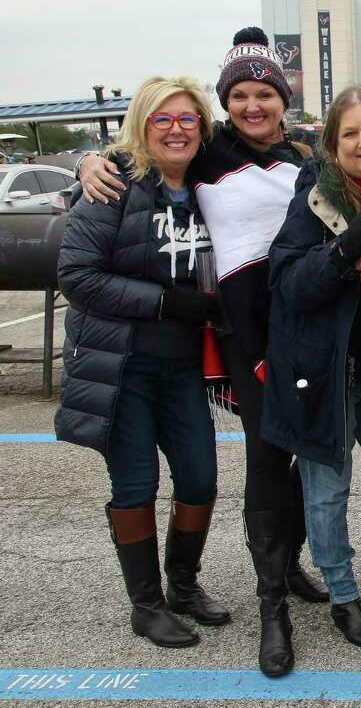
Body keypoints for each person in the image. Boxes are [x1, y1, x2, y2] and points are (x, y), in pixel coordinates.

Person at [76, 27, 326, 677]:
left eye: (263, 93)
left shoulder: (286, 160)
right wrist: (90, 162)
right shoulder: (158, 169)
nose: (252, 105)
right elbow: (81, 264)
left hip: (237, 348)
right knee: (182, 475)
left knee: (230, 472)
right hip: (163, 352)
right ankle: (183, 602)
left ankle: (213, 578)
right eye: (238, 95)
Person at [55, 75, 228, 649]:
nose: (176, 130)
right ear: (142, 126)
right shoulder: (112, 186)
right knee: (136, 484)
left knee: (201, 476)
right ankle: (146, 604)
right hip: (122, 365)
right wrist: (163, 302)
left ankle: (184, 584)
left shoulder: (209, 185)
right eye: (163, 119)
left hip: (183, 364)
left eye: (187, 119)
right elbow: (77, 278)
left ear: (202, 128)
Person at [262, 84, 361, 651]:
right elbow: (286, 283)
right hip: (326, 371)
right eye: (349, 132)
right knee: (328, 489)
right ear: (332, 143)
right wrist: (343, 252)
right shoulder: (315, 194)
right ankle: (341, 594)